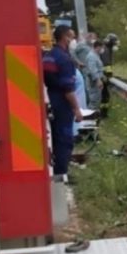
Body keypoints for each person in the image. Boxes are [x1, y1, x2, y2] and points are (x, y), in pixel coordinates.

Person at [42, 25, 83, 178]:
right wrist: (76, 109)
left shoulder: (49, 55)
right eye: (72, 37)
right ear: (65, 37)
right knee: (64, 139)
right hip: (61, 102)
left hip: (50, 99)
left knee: (53, 136)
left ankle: (56, 169)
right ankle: (61, 174)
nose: (73, 41)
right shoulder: (64, 59)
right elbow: (68, 89)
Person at [99, 33, 119, 118]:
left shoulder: (106, 49)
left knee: (105, 96)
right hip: (103, 77)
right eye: (114, 43)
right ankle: (102, 114)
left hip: (103, 76)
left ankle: (103, 113)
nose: (115, 45)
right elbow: (106, 64)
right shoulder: (106, 50)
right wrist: (109, 74)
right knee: (104, 96)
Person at [85, 40, 106, 110]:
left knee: (97, 100)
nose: (102, 50)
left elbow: (99, 68)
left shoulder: (96, 55)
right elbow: (93, 70)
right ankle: (89, 117)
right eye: (101, 47)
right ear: (98, 47)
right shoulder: (91, 56)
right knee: (94, 101)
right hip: (93, 82)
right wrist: (98, 80)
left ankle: (94, 117)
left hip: (96, 82)